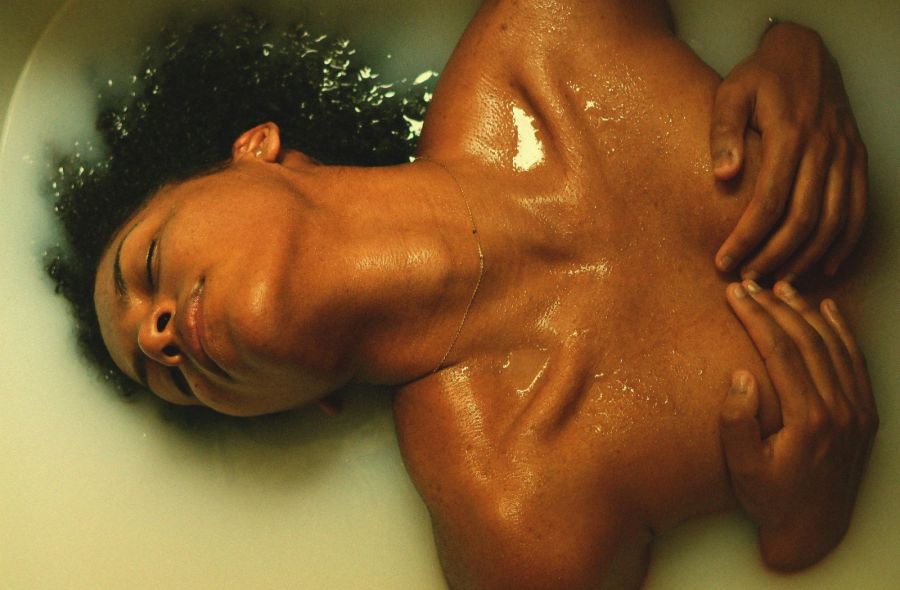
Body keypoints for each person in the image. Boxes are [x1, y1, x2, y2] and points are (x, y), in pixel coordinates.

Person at [89, 1, 876, 587]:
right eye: (168, 377)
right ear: (309, 403)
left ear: (255, 151)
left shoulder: (544, 31)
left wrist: (798, 46)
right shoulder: (516, 523)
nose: (158, 333)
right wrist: (806, 533)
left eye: (147, 264)